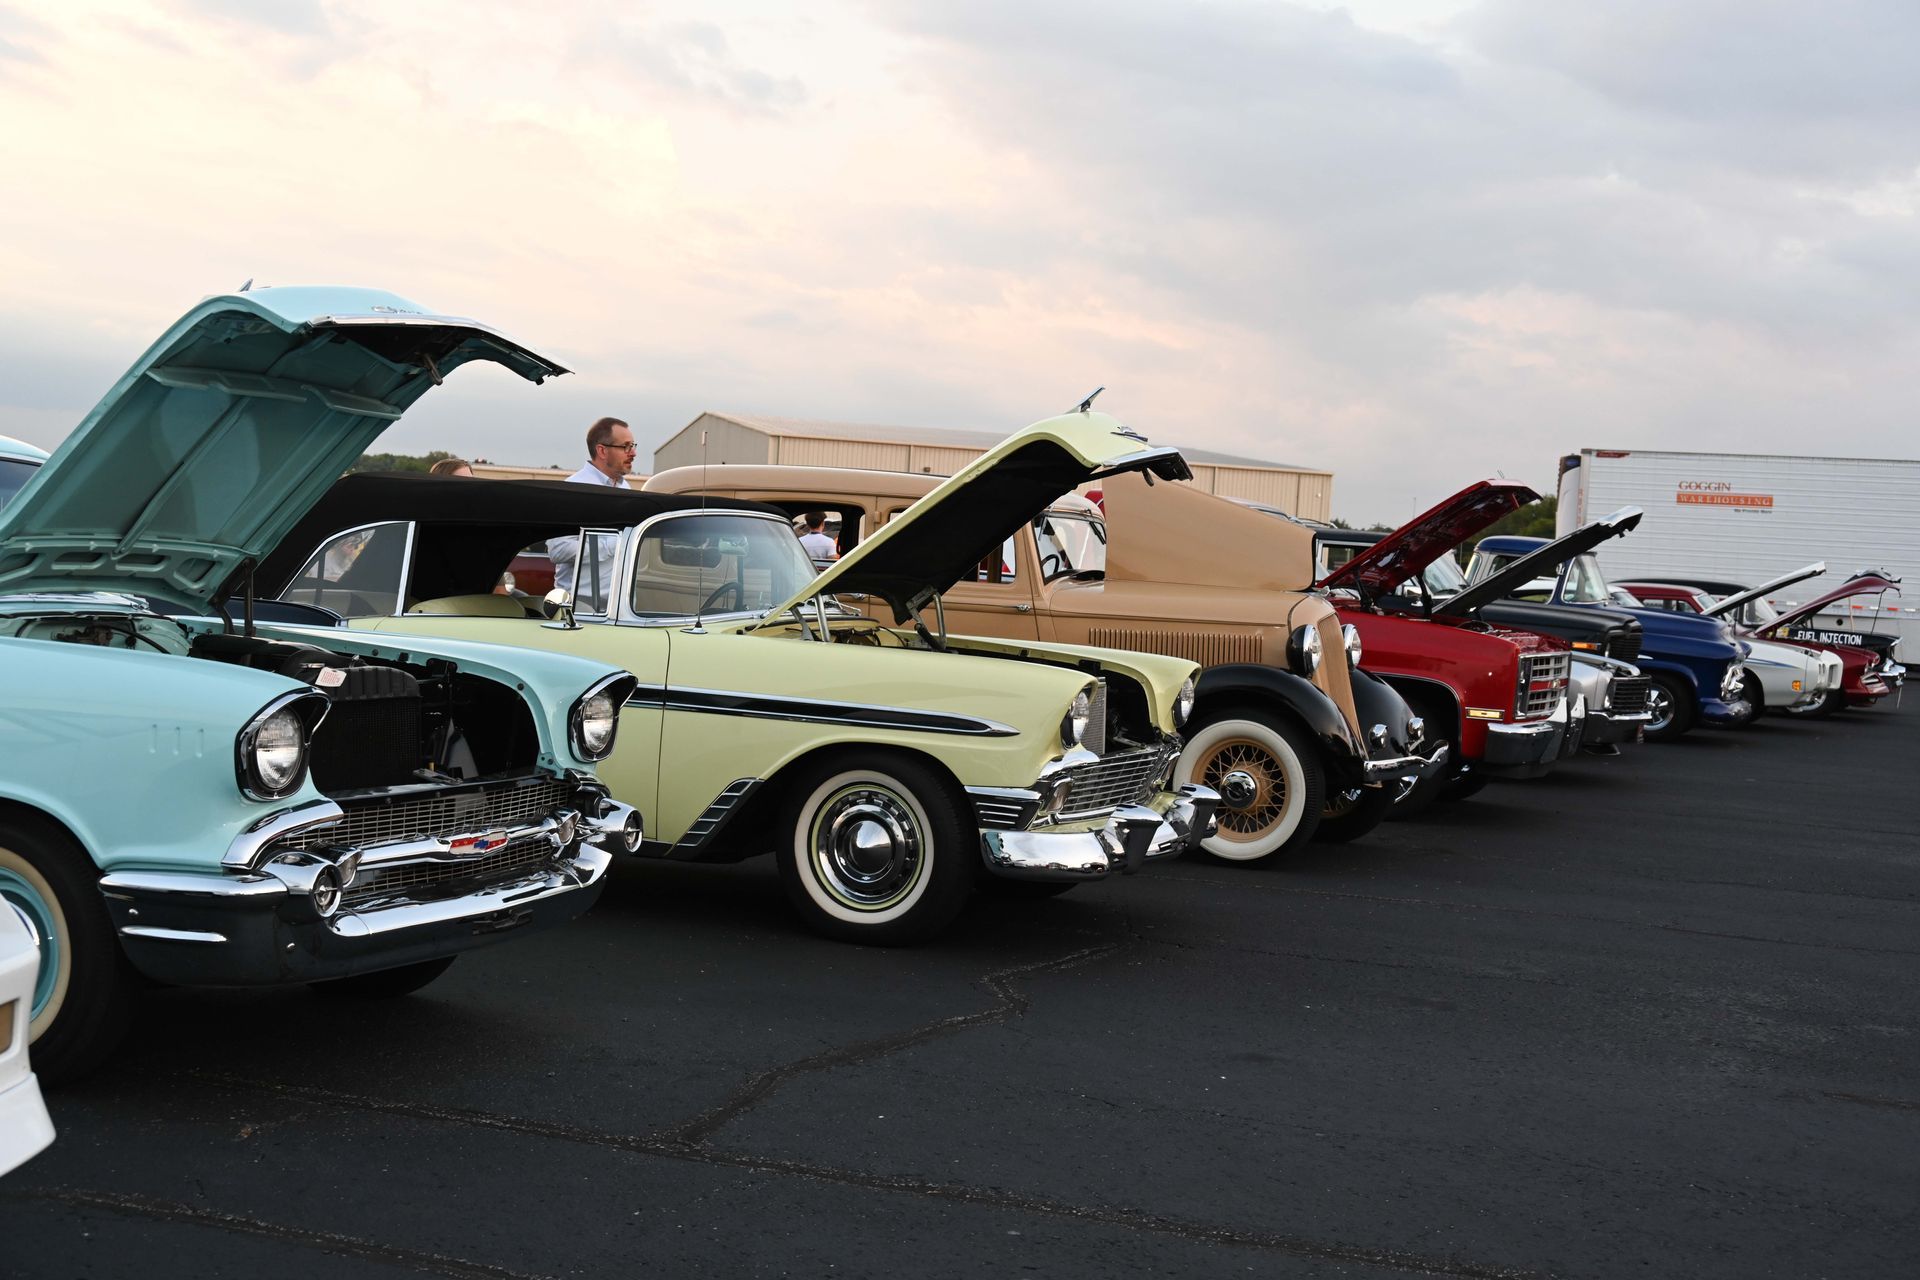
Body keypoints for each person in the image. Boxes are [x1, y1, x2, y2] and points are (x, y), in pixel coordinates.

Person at [549, 417, 635, 609]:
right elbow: (558, 550)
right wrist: (613, 544)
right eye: (626, 446)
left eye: (633, 446)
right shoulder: (573, 490)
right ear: (602, 450)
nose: (633, 453)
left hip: (619, 605)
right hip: (579, 605)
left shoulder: (626, 488)